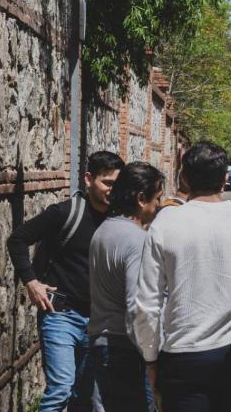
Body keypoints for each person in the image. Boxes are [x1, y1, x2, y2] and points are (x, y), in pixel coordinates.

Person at [134, 141, 231, 412]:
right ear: (225, 178)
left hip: (182, 357)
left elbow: (147, 303)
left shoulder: (165, 223)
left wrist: (150, 358)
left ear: (184, 177)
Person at [7, 151, 124, 412]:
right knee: (61, 388)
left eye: (117, 184)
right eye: (107, 183)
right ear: (89, 179)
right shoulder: (64, 213)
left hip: (99, 321)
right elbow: (17, 239)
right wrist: (32, 282)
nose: (111, 191)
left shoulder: (119, 220)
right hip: (60, 314)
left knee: (86, 397)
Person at [89, 162, 165, 411]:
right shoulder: (138, 240)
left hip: (101, 342)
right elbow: (137, 305)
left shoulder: (103, 231)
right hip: (126, 349)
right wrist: (151, 357)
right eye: (157, 198)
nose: (159, 206)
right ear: (141, 199)